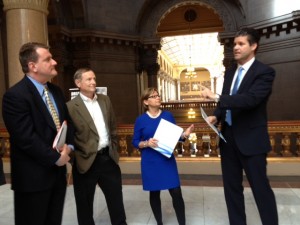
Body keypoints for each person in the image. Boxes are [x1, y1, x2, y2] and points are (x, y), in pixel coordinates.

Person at [200, 27, 278, 225]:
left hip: (252, 141)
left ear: (253, 46)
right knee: (232, 190)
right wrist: (216, 117)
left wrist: (215, 96)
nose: (236, 47)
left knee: (261, 190)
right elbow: (225, 103)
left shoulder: (265, 72)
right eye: (235, 44)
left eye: (241, 44)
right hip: (228, 140)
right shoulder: (230, 72)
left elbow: (250, 100)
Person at [2, 42, 73, 225]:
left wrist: (69, 148)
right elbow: (25, 138)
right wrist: (55, 158)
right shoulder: (15, 96)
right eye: (48, 59)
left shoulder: (56, 91)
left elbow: (67, 124)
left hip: (57, 176)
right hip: (32, 179)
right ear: (33, 66)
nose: (55, 62)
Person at [67, 68, 127, 225]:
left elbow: (113, 126)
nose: (93, 82)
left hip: (108, 159)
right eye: (88, 79)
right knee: (84, 205)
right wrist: (75, 158)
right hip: (85, 163)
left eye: (94, 78)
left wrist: (114, 150)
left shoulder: (105, 100)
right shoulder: (70, 107)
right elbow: (68, 136)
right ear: (78, 83)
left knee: (116, 200)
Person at [132, 87, 194, 225]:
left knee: (176, 192)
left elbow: (175, 135)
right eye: (153, 96)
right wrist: (147, 143)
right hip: (150, 161)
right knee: (154, 193)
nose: (158, 98)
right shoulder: (140, 120)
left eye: (158, 95)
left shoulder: (168, 115)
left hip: (166, 160)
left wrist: (184, 134)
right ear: (146, 102)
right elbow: (135, 142)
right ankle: (159, 223)